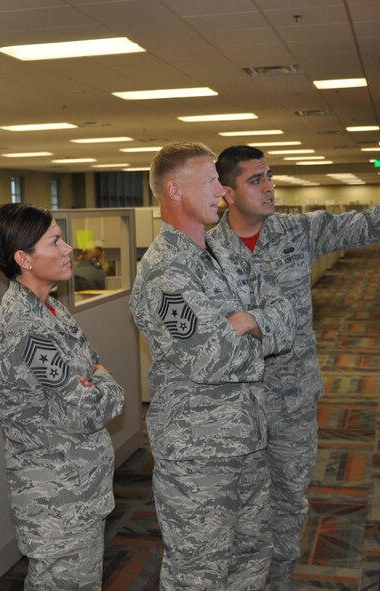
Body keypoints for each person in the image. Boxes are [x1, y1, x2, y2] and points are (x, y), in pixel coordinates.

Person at [211, 145, 380, 589]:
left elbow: (370, 223)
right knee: (234, 513)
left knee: (289, 505)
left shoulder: (296, 232)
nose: (270, 186)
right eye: (255, 180)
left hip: (291, 401)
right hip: (230, 409)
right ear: (226, 193)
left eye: (269, 175)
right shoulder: (204, 252)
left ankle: (281, 583)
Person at [128, 142, 297, 590]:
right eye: (208, 182)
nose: (222, 192)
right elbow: (213, 357)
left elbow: (287, 317)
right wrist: (250, 328)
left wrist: (248, 322)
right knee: (198, 575)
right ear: (173, 190)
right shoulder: (165, 272)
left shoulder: (218, 253)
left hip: (246, 439)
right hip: (198, 458)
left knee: (250, 560)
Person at [0, 203, 124, 590]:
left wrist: (96, 378)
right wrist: (109, 384)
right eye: (56, 241)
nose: (68, 250)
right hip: (57, 500)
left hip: (78, 488)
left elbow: (90, 366)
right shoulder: (25, 328)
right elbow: (87, 409)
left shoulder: (51, 308)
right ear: (23, 259)